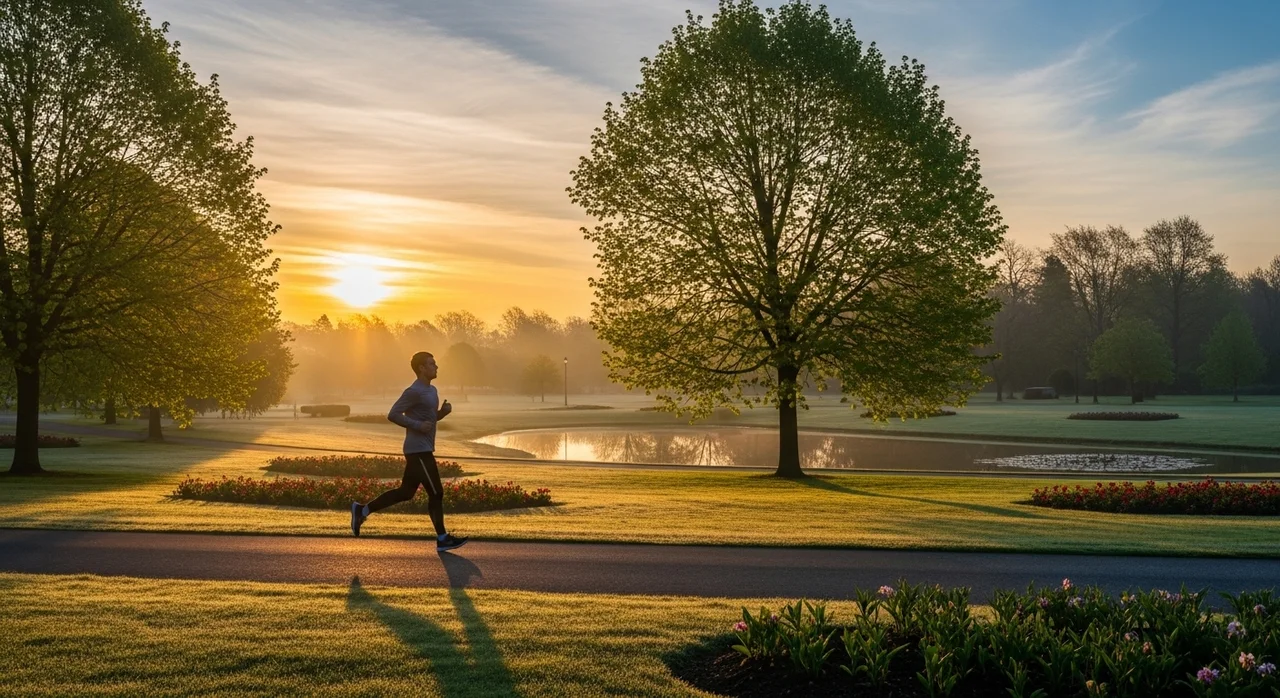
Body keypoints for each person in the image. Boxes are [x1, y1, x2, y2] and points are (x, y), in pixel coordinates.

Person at [350, 351, 467, 552]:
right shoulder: (413, 391)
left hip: (423, 449)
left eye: (435, 364)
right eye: (432, 364)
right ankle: (442, 538)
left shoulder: (432, 391)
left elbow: (428, 421)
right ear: (421, 368)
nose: (436, 367)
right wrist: (416, 425)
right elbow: (393, 414)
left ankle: (362, 510)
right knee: (436, 492)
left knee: (406, 492)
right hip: (417, 451)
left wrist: (442, 414)